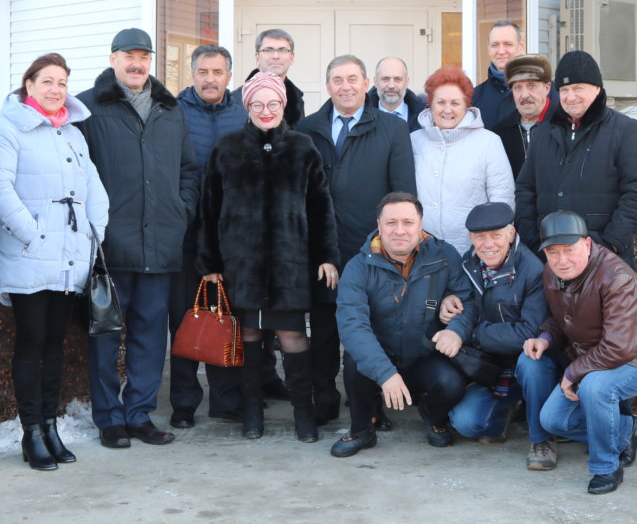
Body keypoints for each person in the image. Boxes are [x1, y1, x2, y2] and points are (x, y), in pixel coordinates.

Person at [197, 72, 341, 441]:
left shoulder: (303, 148)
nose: (266, 110)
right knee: (248, 336)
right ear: (247, 107)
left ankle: (304, 415)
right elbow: (209, 209)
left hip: (289, 268)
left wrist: (326, 256)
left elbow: (320, 207)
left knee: (292, 335)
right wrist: (210, 264)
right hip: (241, 266)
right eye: (258, 104)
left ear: (283, 105)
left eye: (273, 103)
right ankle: (252, 415)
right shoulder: (227, 149)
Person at [0, 53, 109, 471]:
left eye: (62, 83)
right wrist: (33, 233)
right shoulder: (9, 130)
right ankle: (32, 431)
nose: (56, 90)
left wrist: (94, 232)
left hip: (70, 257)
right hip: (30, 255)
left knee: (56, 344)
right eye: (47, 81)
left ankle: (51, 427)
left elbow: (93, 187)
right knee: (31, 343)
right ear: (30, 85)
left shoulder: (73, 133)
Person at [76, 27, 198, 449]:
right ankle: (109, 418)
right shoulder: (88, 108)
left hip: (161, 243)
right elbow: (77, 173)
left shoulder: (170, 109)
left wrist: (182, 210)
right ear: (113, 59)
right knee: (105, 337)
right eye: (128, 55)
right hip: (111, 247)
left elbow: (187, 169)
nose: (136, 63)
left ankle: (139, 414)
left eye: (144, 56)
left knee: (150, 337)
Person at [522, 211, 637, 494]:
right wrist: (545, 338)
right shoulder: (553, 273)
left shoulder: (616, 278)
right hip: (597, 356)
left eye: (569, 250)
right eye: (553, 252)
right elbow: (562, 317)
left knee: (595, 386)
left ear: (587, 244)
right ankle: (626, 430)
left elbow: (619, 347)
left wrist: (573, 372)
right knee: (553, 420)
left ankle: (606, 467)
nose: (561, 260)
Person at [298, 55, 417, 425]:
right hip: (322, 248)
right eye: (337, 80)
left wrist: (389, 245)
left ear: (367, 83)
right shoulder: (308, 128)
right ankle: (324, 400)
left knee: (371, 328)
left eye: (353, 78)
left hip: (371, 249)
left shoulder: (392, 128)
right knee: (323, 330)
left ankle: (369, 405)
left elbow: (402, 194)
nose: (345, 86)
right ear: (328, 85)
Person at [332, 192, 473, 457]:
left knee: (452, 382)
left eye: (408, 222)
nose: (399, 230)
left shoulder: (445, 255)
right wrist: (385, 373)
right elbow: (353, 326)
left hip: (424, 353)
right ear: (379, 225)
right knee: (354, 361)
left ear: (420, 225)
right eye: (391, 222)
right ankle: (362, 429)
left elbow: (466, 299)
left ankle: (433, 416)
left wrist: (456, 330)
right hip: (381, 353)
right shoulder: (358, 267)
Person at [169, 45, 250, 428]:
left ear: (229, 77)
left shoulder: (243, 114)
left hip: (229, 238)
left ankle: (226, 400)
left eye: (217, 72)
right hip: (185, 235)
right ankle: (184, 402)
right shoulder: (173, 112)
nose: (210, 79)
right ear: (192, 74)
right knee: (187, 317)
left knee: (226, 317)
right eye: (203, 71)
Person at [514, 50, 637, 269]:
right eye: (564, 90)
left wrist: (610, 244)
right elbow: (525, 189)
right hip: (549, 258)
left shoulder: (624, 130)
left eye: (578, 88)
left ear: (597, 89)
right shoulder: (543, 132)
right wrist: (533, 240)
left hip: (603, 260)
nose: (571, 97)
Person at [432, 203, 549, 451]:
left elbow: (530, 332)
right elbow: (467, 305)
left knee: (532, 365)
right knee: (466, 423)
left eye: (496, 235)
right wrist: (451, 311)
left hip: (522, 363)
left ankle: (540, 433)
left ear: (511, 234)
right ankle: (501, 415)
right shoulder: (468, 263)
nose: (488, 244)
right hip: (486, 367)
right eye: (480, 237)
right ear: (470, 238)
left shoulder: (533, 271)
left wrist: (473, 334)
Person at [410, 66, 515, 254]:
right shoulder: (414, 141)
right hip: (422, 254)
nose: (447, 109)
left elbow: (502, 198)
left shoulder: (488, 142)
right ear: (430, 104)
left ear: (466, 105)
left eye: (455, 103)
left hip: (473, 253)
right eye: (440, 102)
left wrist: (491, 247)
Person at [490, 54, 555, 178]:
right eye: (518, 88)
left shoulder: (566, 126)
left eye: (531, 86)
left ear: (547, 88)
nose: (524, 95)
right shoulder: (499, 135)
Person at [470, 20, 526, 128]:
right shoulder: (474, 99)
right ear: (488, 48)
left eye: (508, 44)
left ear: (521, 46)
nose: (501, 51)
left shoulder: (544, 92)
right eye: (495, 45)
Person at [245, 28, 305, 127]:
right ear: (257, 57)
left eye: (283, 50)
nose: (276, 56)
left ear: (292, 57)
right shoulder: (237, 99)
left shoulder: (297, 99)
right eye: (268, 50)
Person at [366, 56, 425, 131]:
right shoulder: (360, 115)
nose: (391, 86)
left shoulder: (425, 117)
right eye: (385, 79)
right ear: (375, 82)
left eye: (398, 79)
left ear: (406, 82)